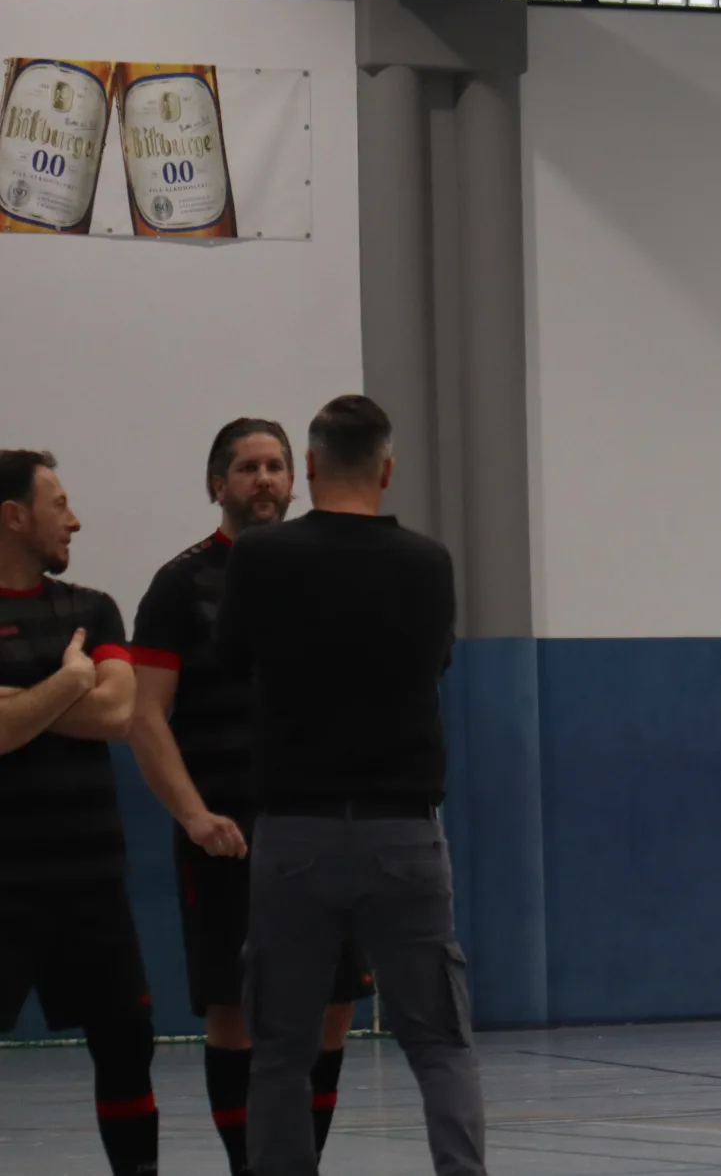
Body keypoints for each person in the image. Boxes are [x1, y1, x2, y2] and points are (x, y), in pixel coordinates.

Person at [217, 396, 485, 1176]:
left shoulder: (261, 557)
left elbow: (231, 659)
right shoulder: (429, 563)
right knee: (440, 1042)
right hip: (403, 830)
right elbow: (436, 662)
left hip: (293, 832)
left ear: (309, 466)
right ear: (387, 468)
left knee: (281, 1049)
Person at [129, 419, 375, 1175]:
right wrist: (194, 815)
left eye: (276, 465)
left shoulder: (325, 570)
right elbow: (145, 715)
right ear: (217, 484)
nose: (264, 478)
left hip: (323, 829)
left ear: (296, 479)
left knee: (335, 1006)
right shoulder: (179, 584)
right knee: (234, 1013)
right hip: (226, 838)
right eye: (247, 467)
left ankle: (302, 1164)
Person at [0, 450, 152, 1176]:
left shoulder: (93, 609)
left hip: (91, 879)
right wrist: (68, 681)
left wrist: (23, 703)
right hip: (3, 882)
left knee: (126, 1044)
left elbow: (119, 712)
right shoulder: (78, 649)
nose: (76, 519)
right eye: (59, 503)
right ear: (14, 516)